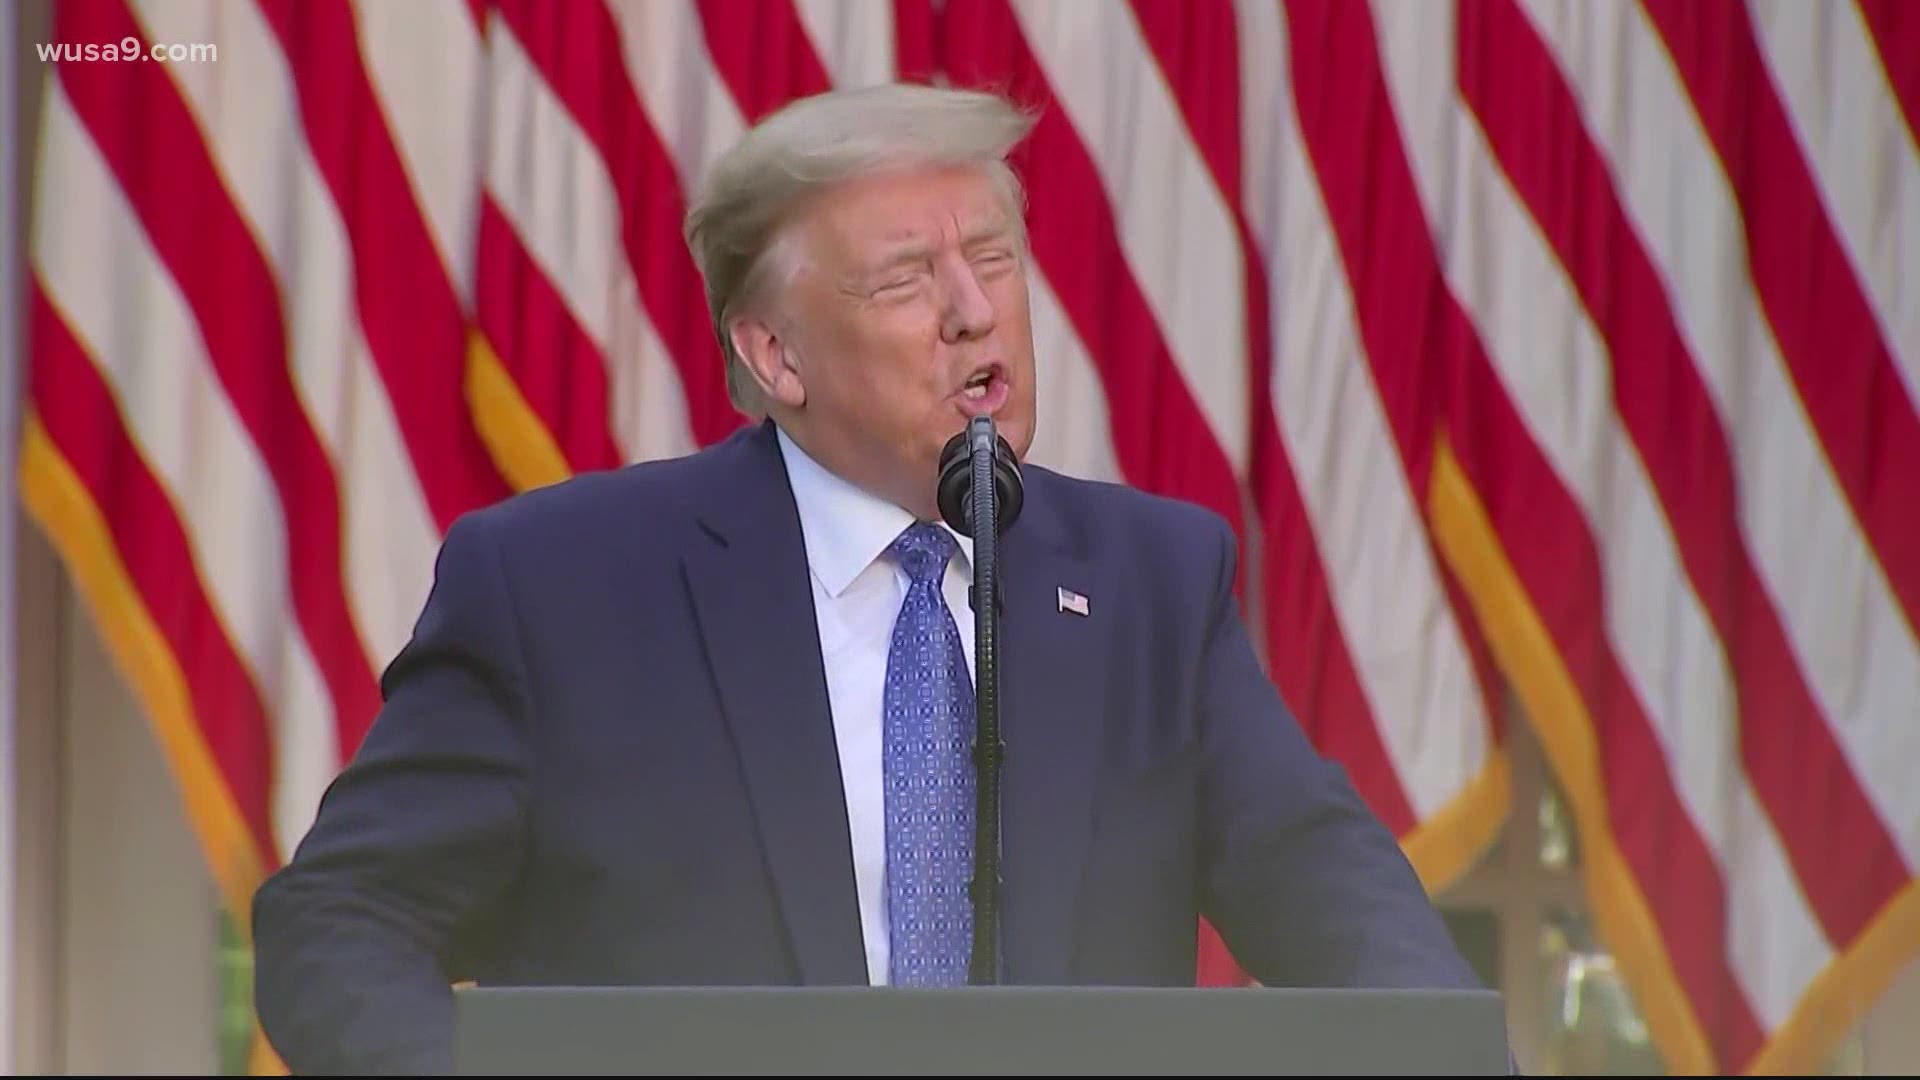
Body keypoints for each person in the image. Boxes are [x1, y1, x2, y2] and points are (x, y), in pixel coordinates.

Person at [251, 83, 1484, 1075]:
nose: (971, 311)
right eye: (905, 280)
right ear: (776, 354)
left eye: (992, 259)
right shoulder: (561, 586)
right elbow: (339, 925)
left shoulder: (1152, 583)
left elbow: (1338, 902)